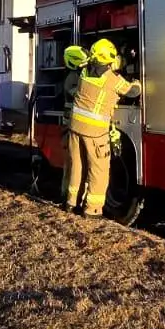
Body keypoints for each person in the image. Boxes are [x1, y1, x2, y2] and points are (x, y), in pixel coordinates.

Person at [64, 39, 140, 217]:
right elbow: (132, 92)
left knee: (77, 167)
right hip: (95, 133)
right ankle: (93, 210)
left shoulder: (84, 72)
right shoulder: (113, 80)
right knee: (98, 170)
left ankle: (70, 203)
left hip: (75, 129)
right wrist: (137, 82)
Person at [58, 45, 90, 203]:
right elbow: (83, 94)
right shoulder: (72, 79)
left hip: (76, 126)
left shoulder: (78, 75)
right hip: (72, 126)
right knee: (73, 163)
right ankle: (68, 197)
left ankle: (74, 198)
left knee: (78, 163)